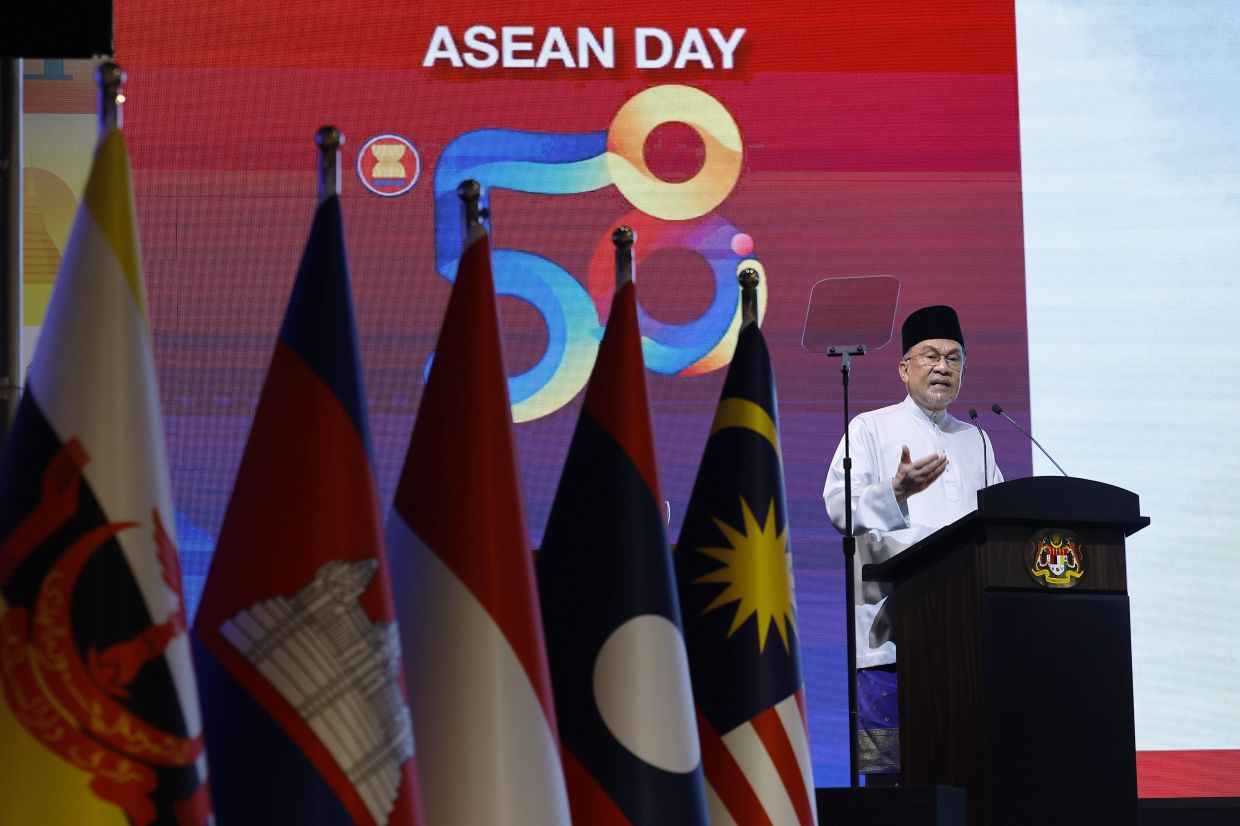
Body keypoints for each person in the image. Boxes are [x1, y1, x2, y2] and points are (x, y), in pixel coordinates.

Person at [822, 304, 1002, 781]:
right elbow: (839, 508)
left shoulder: (977, 440)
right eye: (930, 356)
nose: (943, 367)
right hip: (889, 647)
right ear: (904, 369)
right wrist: (895, 492)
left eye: (954, 358)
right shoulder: (869, 428)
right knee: (887, 779)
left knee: (964, 776)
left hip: (965, 643)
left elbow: (998, 526)